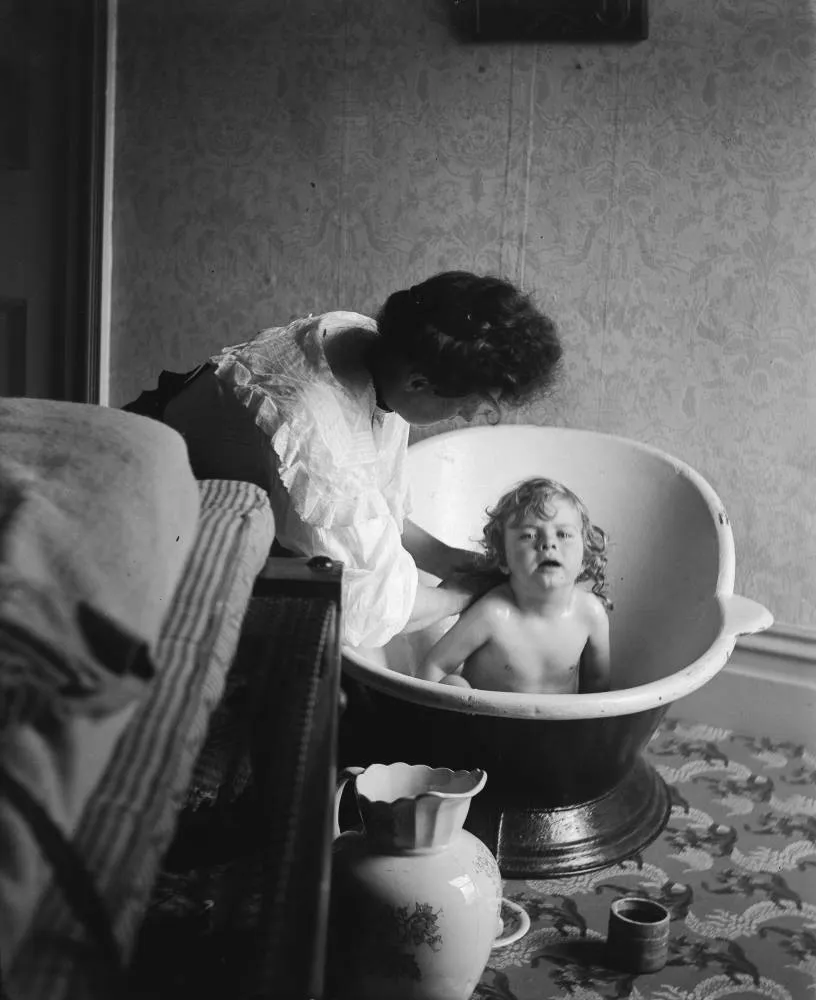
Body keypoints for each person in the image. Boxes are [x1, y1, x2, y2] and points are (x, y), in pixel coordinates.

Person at [129, 271, 562, 648]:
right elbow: (366, 604)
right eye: (467, 403)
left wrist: (458, 562)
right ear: (419, 382)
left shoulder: (376, 346)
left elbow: (373, 513)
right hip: (150, 499)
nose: (468, 415)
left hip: (208, 466)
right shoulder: (317, 428)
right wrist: (469, 593)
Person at [416, 477, 611, 693]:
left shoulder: (591, 613)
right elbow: (435, 665)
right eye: (528, 535)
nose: (548, 543)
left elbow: (597, 686)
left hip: (557, 725)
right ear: (503, 559)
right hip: (489, 724)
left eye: (563, 534)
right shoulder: (493, 614)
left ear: (585, 558)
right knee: (455, 685)